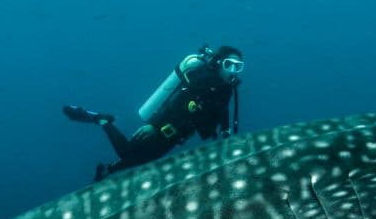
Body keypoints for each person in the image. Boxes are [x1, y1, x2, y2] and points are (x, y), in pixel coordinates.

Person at [63, 45, 244, 180]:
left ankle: (107, 170)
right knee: (127, 152)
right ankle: (102, 120)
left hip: (180, 132)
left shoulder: (226, 88)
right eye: (229, 65)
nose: (233, 71)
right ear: (219, 63)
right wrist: (153, 125)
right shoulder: (202, 80)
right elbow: (176, 102)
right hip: (165, 126)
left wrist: (226, 132)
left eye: (238, 66)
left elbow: (223, 110)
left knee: (145, 159)